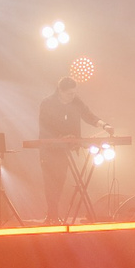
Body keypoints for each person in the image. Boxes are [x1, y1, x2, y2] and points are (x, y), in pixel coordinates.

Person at [37, 75, 111, 222]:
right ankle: (52, 214)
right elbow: (44, 126)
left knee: (60, 179)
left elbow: (88, 115)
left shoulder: (76, 101)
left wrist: (104, 125)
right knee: (50, 181)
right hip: (49, 148)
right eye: (69, 93)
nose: (72, 96)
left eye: (74, 93)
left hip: (66, 148)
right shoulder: (47, 103)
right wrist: (59, 137)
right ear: (60, 91)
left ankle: (53, 213)